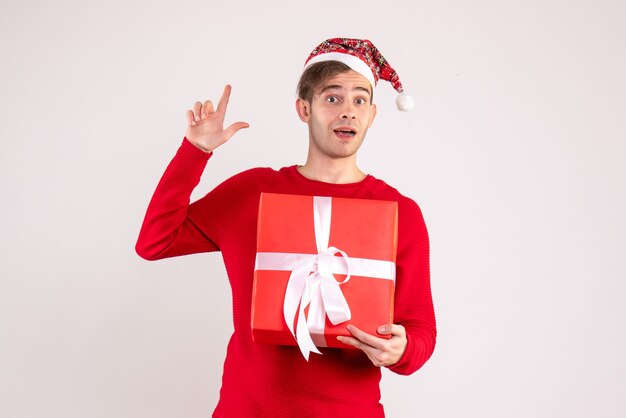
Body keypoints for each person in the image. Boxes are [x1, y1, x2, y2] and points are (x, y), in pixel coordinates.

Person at [136, 38, 436, 418]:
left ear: (373, 114)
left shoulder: (399, 212)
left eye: (360, 100)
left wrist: (402, 349)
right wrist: (195, 151)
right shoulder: (253, 192)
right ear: (304, 108)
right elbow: (155, 241)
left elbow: (421, 329)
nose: (348, 112)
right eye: (332, 98)